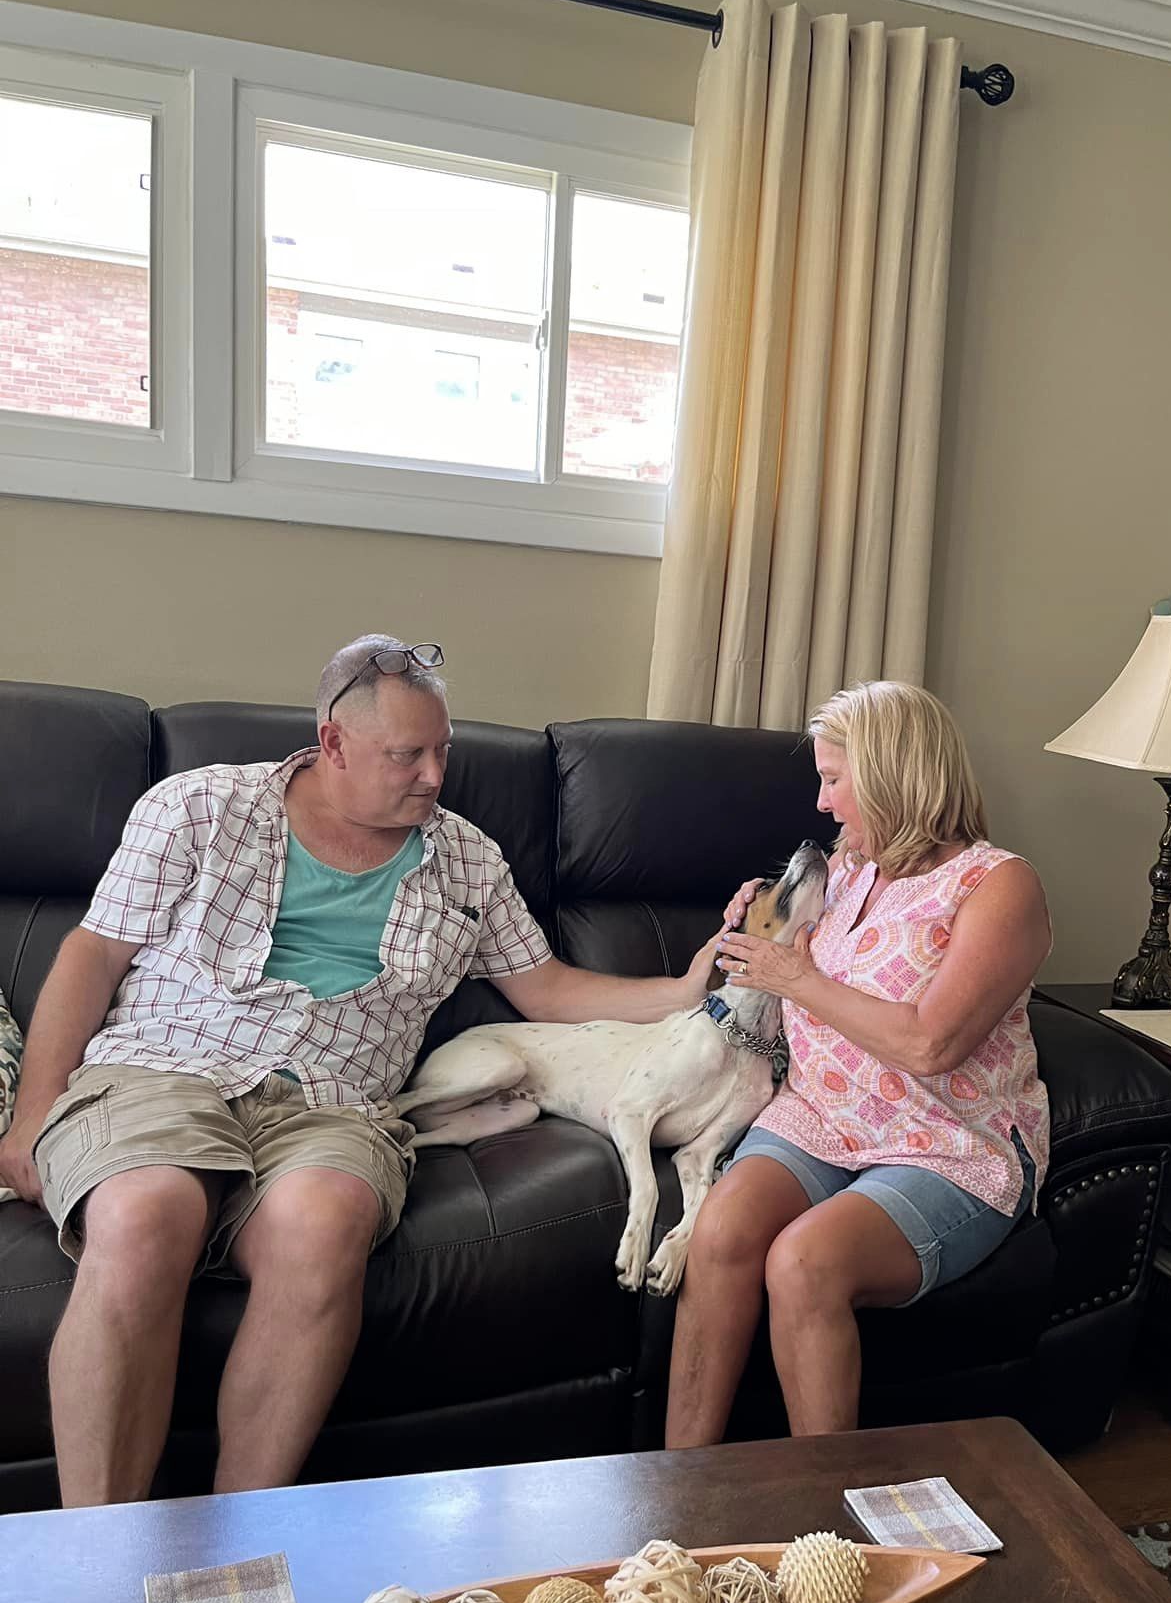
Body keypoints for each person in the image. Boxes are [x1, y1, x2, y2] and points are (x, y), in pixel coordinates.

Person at [0, 636, 725, 1507]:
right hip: (165, 1068)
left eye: (443, 751)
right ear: (332, 743)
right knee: (148, 1210)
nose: (434, 775)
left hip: (334, 1105)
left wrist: (688, 988)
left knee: (326, 1221)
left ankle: (237, 1542)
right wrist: (32, 1112)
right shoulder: (198, 806)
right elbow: (93, 953)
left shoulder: (467, 860)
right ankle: (101, 1554)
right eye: (407, 755)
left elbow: (548, 988)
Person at [665, 680, 1052, 1447]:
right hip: (817, 1118)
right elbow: (756, 975)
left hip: (946, 1145)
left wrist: (797, 977)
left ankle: (826, 1529)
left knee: (804, 1264)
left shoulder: (999, 886)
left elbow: (930, 1045)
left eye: (835, 779)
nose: (821, 801)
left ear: (894, 775)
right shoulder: (842, 867)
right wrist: (752, 926)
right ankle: (676, 1490)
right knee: (718, 1233)